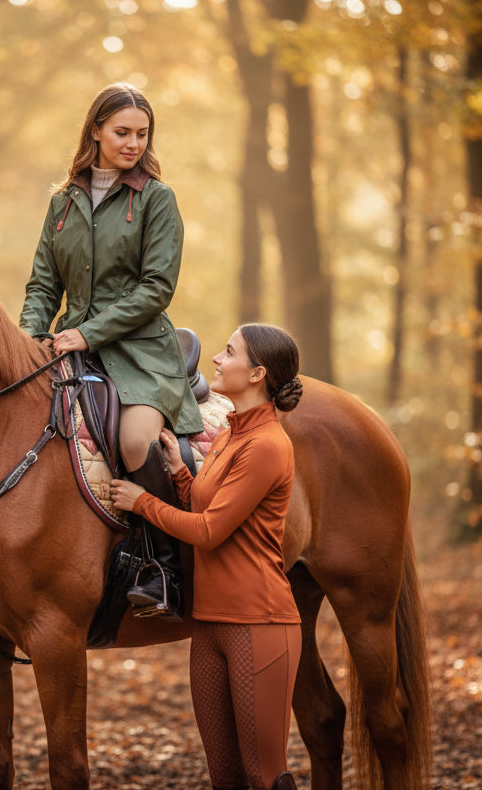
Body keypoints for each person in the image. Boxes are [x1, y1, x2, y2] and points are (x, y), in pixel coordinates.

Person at [19, 82, 203, 620]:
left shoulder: (157, 200)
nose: (133, 144)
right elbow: (42, 286)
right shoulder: (62, 202)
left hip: (141, 352)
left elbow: (156, 288)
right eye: (122, 132)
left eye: (142, 135)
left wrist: (90, 332)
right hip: (70, 346)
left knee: (134, 439)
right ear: (95, 130)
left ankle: (158, 567)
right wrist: (30, 341)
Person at [110, 323, 305, 790]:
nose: (216, 359)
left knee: (265, 777)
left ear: (257, 373)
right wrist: (179, 473)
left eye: (228, 352)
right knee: (225, 777)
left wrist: (142, 502)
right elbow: (206, 503)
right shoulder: (226, 436)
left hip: (258, 623)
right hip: (209, 624)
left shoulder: (267, 446)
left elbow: (210, 530)